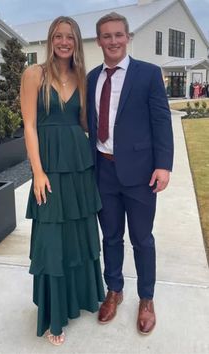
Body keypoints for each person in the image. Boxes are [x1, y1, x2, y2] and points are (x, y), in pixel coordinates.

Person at [87, 12, 174, 335]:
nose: (113, 41)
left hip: (140, 174)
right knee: (110, 237)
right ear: (99, 41)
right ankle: (114, 291)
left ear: (128, 37)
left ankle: (147, 299)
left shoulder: (148, 74)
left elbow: (161, 121)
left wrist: (163, 165)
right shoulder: (92, 77)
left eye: (118, 35)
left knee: (141, 239)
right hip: (103, 171)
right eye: (106, 36)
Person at [20, 16, 104, 346]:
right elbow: (29, 126)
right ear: (50, 39)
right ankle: (55, 314)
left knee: (78, 233)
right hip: (50, 168)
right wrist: (37, 172)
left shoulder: (82, 78)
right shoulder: (33, 74)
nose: (64, 41)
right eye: (58, 36)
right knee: (52, 237)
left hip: (79, 166)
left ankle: (78, 298)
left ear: (77, 41)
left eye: (70, 36)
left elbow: (85, 123)